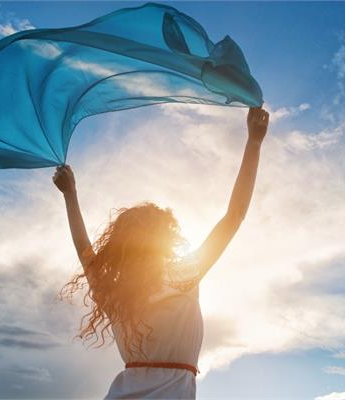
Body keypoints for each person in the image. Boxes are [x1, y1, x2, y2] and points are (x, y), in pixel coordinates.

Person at [52, 106, 270, 399]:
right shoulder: (183, 275)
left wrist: (71, 195)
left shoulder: (116, 296)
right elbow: (234, 217)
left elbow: (84, 251)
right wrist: (254, 143)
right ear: (165, 240)